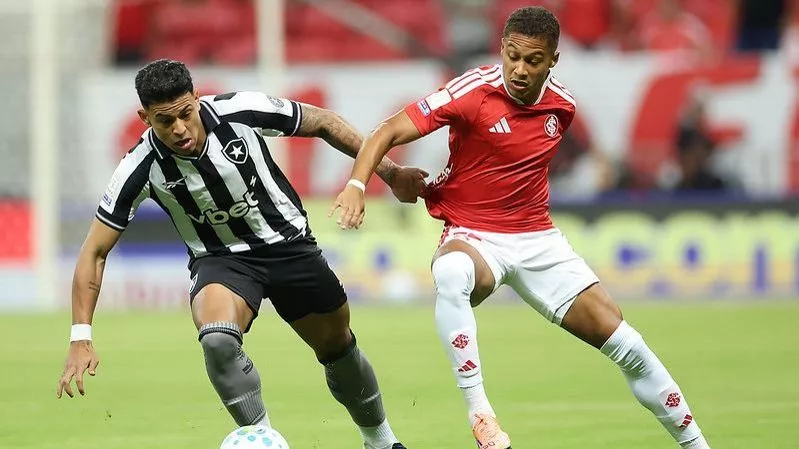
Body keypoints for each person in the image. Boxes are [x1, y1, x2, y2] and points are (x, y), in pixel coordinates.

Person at [331, 7, 711, 449]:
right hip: (474, 234)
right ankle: (481, 416)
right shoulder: (473, 91)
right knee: (452, 274)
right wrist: (358, 184)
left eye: (533, 60)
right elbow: (388, 131)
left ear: (553, 60)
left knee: (630, 346)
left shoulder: (563, 108)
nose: (520, 70)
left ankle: (697, 444)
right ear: (502, 50)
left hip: (537, 240)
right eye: (513, 56)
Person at [55, 59, 427, 449]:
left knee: (338, 349)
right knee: (217, 341)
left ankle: (381, 442)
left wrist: (389, 172)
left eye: (185, 113)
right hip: (220, 260)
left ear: (196, 100)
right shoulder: (138, 167)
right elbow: (94, 251)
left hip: (289, 246)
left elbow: (324, 122)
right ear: (144, 118)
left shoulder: (240, 111)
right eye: (165, 121)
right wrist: (81, 335)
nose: (180, 129)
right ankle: (262, 440)